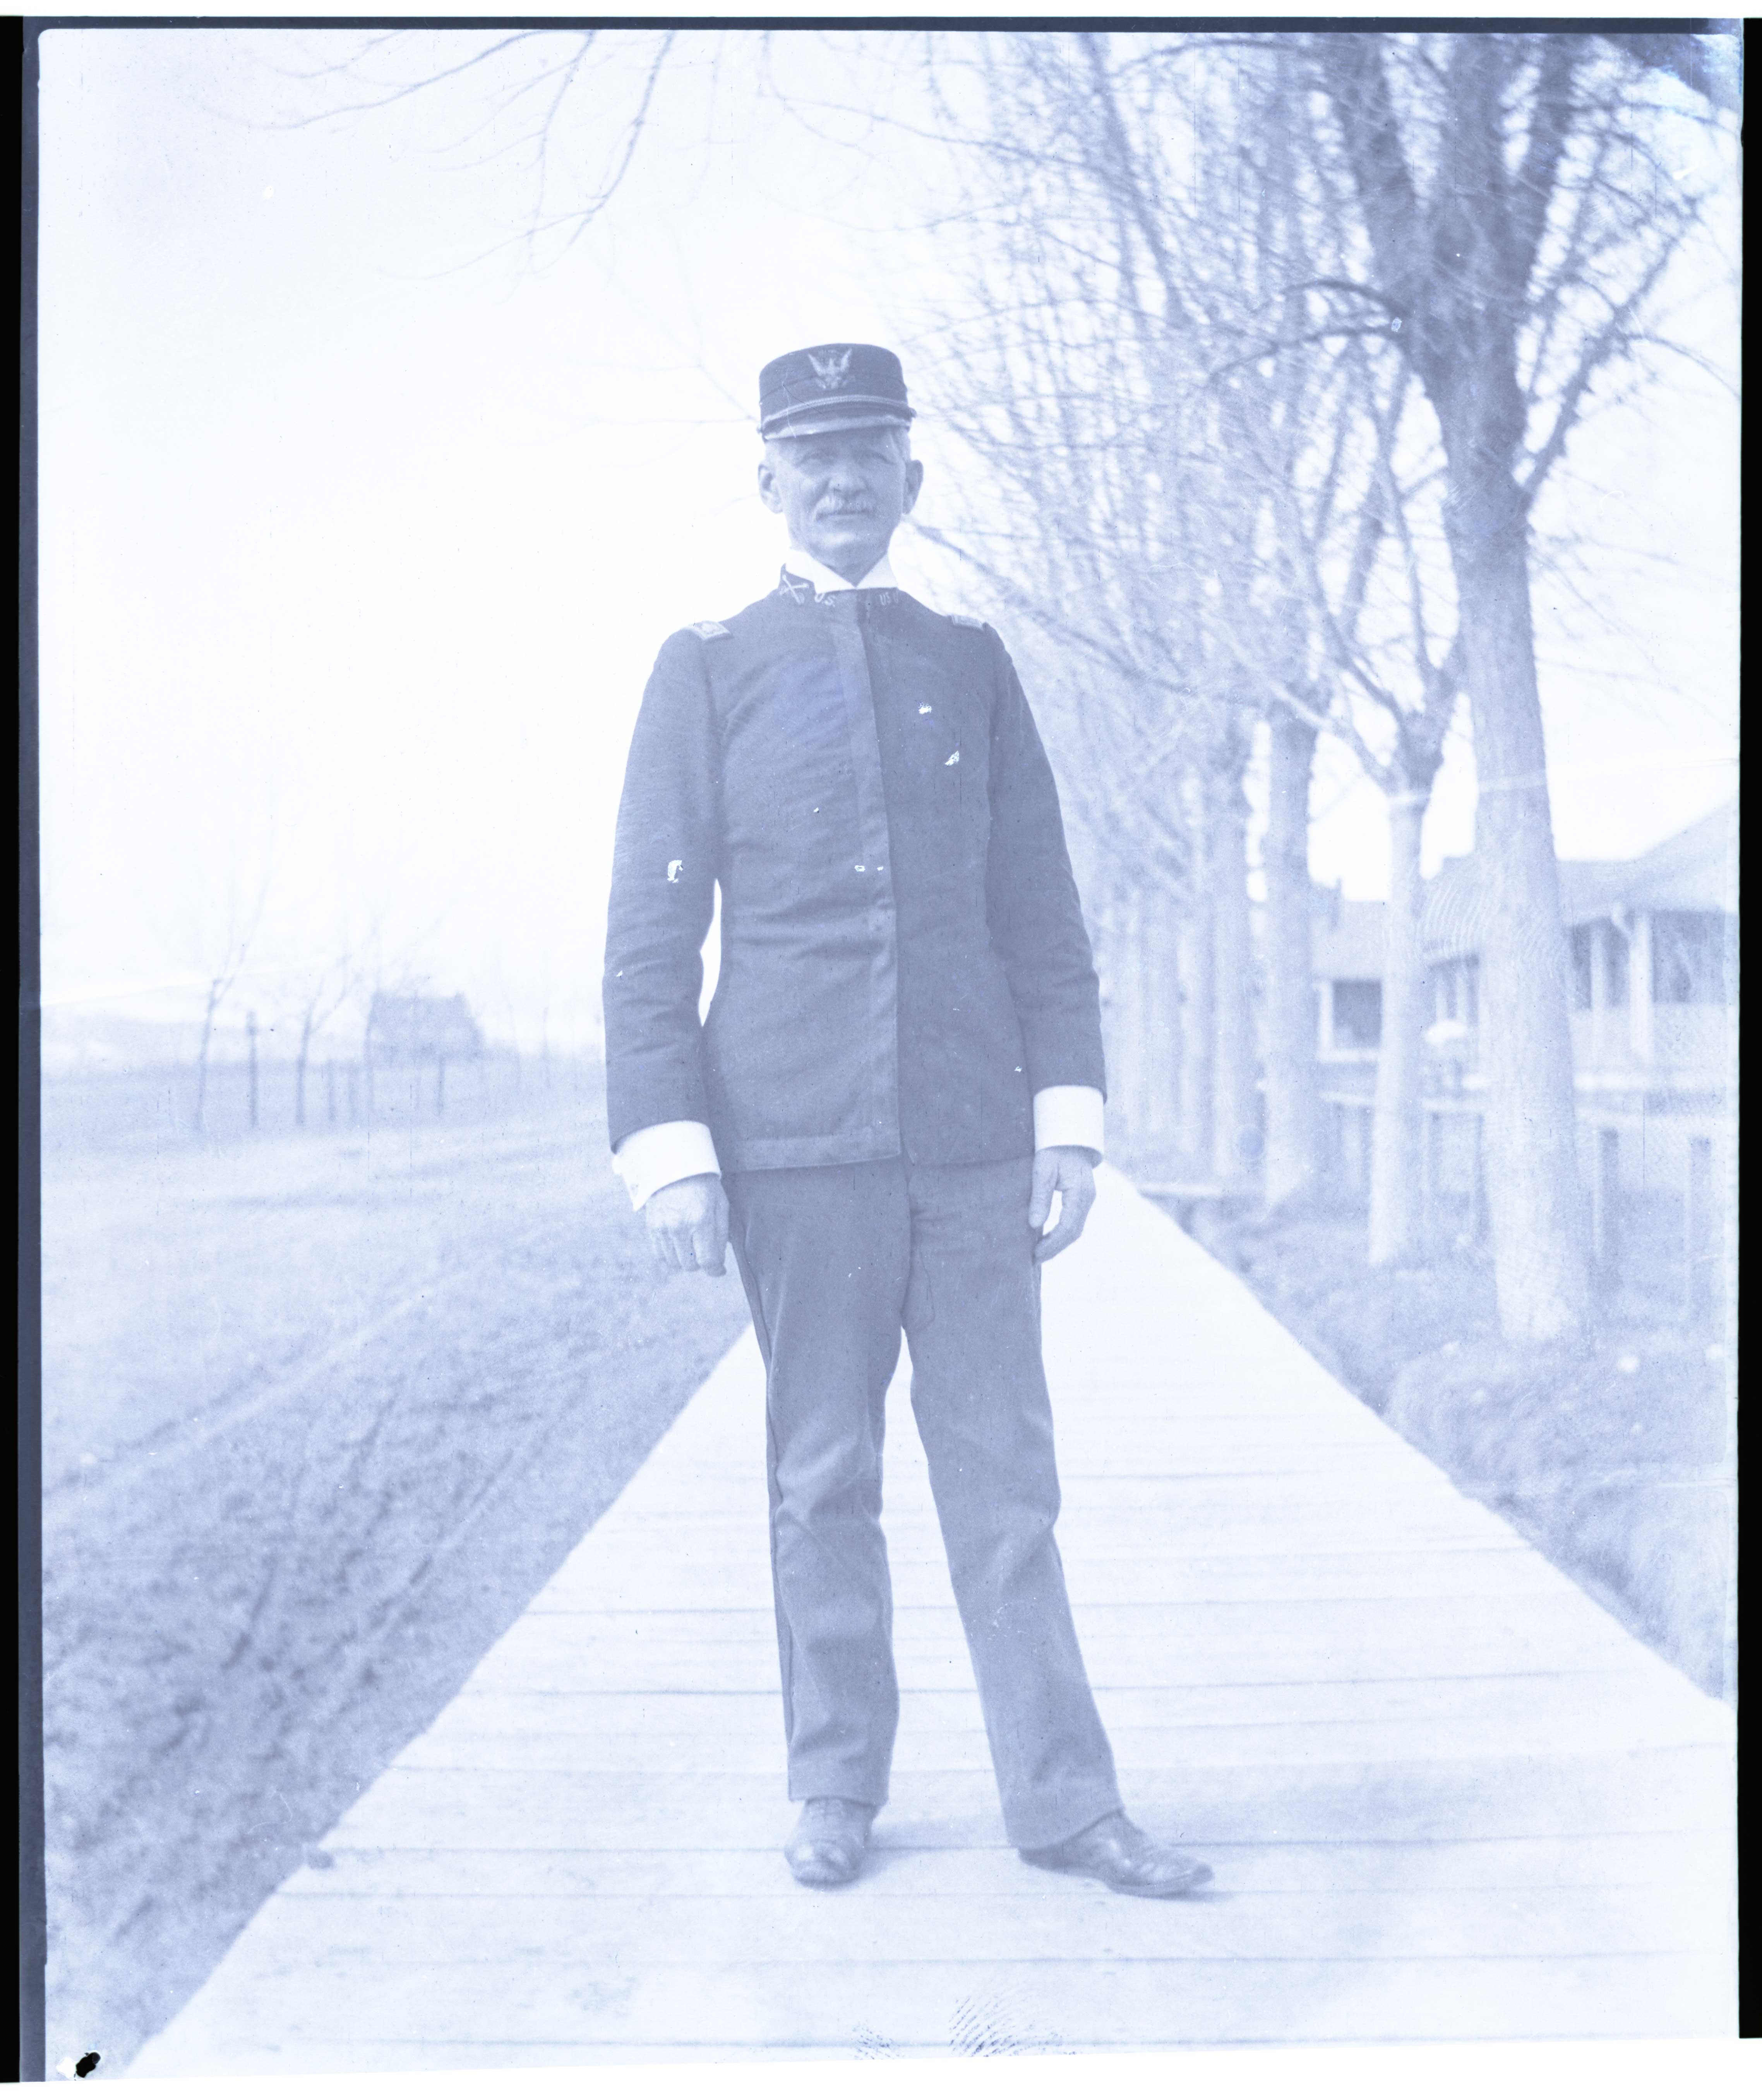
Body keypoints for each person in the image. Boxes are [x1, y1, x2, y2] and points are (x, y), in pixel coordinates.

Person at [602, 343, 1210, 1900]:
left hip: (970, 1143)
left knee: (1006, 1474)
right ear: (766, 480)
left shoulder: (973, 663)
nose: (845, 474)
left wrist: (1064, 1121)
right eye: (814, 452)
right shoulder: (705, 667)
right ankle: (833, 1789)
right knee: (820, 1477)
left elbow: (1041, 918)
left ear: (912, 477)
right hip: (790, 1147)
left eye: (871, 448)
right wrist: (668, 1145)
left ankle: (1067, 1803)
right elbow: (649, 935)